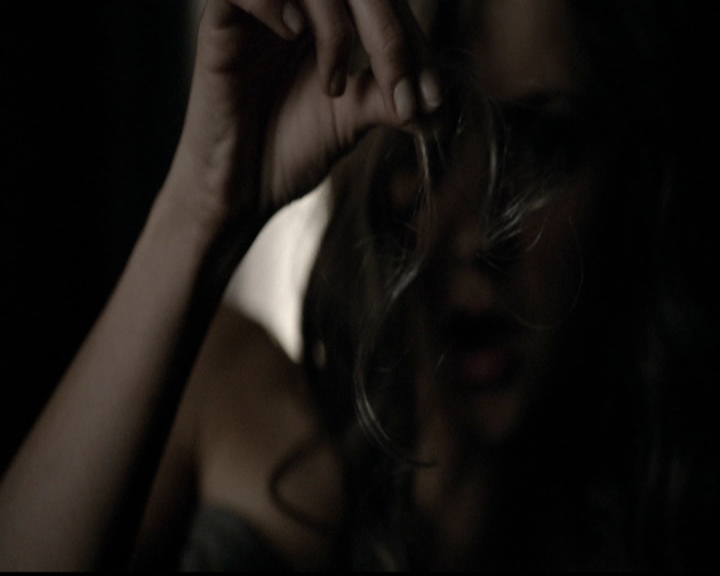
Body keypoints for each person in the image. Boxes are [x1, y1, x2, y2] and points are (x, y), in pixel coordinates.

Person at [0, 0, 717, 570]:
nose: (481, 233)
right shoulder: (225, 400)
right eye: (435, 136)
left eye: (542, 145)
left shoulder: (669, 519)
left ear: (629, 179)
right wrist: (201, 207)